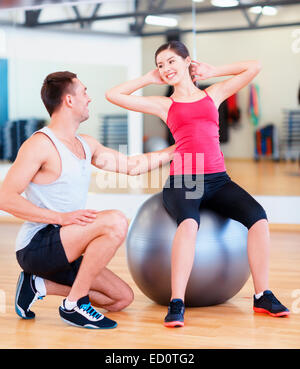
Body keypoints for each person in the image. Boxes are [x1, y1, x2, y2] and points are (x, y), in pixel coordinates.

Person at [105, 41, 290, 327]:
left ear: (186, 62)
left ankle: (262, 295)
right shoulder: (165, 104)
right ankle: (176, 301)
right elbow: (113, 94)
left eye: (170, 62)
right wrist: (147, 78)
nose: (165, 68)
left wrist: (214, 70)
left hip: (218, 179)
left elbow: (254, 66)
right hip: (185, 177)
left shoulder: (213, 94)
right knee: (190, 223)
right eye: (160, 65)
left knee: (259, 218)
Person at [0, 71, 175, 329]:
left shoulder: (86, 144)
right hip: (37, 247)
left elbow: (131, 166)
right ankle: (74, 305)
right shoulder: (40, 144)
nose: (89, 98)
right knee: (115, 220)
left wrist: (178, 148)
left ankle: (37, 285)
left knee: (120, 299)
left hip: (67, 246)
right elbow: (5, 198)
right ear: (69, 100)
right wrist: (60, 218)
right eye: (84, 92)